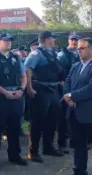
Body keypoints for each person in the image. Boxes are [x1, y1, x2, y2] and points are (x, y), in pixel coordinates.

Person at [0, 33, 28, 171]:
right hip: (0, 98)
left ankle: (14, 155)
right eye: (6, 40)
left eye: (10, 41)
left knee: (15, 128)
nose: (9, 43)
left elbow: (23, 75)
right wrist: (5, 92)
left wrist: (21, 89)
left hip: (15, 96)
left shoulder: (16, 58)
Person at [25, 31, 64, 164]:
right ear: (47, 39)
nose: (54, 41)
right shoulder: (36, 53)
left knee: (52, 120)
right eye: (53, 39)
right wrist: (29, 88)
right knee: (37, 122)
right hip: (40, 90)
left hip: (53, 91)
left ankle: (48, 147)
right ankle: (33, 151)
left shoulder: (52, 53)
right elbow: (28, 70)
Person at [60, 37, 92, 175]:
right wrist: (67, 96)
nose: (78, 50)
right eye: (78, 48)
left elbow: (90, 89)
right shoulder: (76, 66)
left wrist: (72, 95)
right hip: (74, 111)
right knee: (79, 144)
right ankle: (79, 173)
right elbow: (67, 82)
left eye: (82, 48)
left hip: (88, 112)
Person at [57, 34, 81, 151]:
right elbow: (59, 75)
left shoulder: (78, 54)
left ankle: (74, 141)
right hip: (65, 90)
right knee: (63, 117)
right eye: (72, 40)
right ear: (69, 41)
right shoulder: (62, 55)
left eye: (76, 40)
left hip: (77, 89)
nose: (74, 42)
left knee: (76, 116)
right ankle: (62, 143)